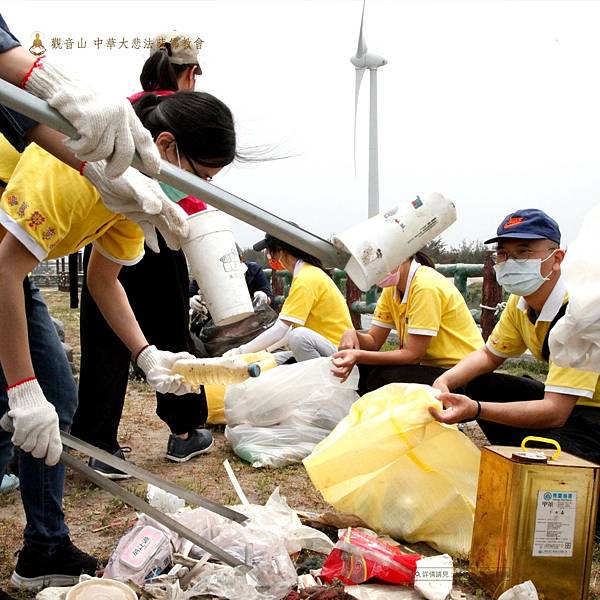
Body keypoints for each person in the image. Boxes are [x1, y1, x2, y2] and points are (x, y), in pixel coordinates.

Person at [0, 89, 237, 589]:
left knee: (54, 402)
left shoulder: (132, 197)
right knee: (28, 403)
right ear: (166, 147)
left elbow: (103, 281)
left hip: (8, 271)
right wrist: (22, 387)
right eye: (200, 176)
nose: (197, 192)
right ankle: (44, 545)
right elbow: (5, 268)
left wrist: (147, 356)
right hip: (3, 267)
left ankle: (44, 549)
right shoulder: (74, 174)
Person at [71, 32, 214, 475]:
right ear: (190, 73)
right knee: (171, 332)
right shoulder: (185, 117)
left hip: (104, 227)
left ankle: (97, 443)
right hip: (156, 229)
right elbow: (185, 195)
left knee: (103, 333)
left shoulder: (130, 105)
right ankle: (185, 431)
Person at [430, 209, 600, 467]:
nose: (511, 262)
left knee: (553, 455)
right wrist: (443, 381)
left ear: (558, 258)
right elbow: (489, 354)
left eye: (524, 252)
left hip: (591, 409)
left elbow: (555, 411)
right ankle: (520, 453)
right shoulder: (520, 301)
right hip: (564, 401)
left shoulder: (581, 310)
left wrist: (476, 409)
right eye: (503, 254)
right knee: (481, 384)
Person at [331, 252, 484, 395]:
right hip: (430, 367)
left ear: (402, 254)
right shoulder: (392, 289)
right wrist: (353, 334)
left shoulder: (425, 286)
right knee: (362, 372)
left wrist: (358, 355)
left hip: (460, 371)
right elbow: (374, 341)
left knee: (385, 378)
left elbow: (413, 355)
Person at [224, 232, 353, 361]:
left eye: (271, 253)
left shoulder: (306, 279)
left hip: (337, 353)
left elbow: (281, 329)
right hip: (323, 346)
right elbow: (290, 326)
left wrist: (239, 352)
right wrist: (266, 351)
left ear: (281, 251)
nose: (272, 258)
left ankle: (317, 379)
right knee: (268, 361)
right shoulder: (307, 273)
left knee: (298, 337)